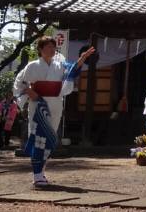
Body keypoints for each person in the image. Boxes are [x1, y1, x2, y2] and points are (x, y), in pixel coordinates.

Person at [14, 36, 96, 187]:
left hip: (55, 105)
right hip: (38, 104)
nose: (51, 50)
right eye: (48, 47)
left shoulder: (60, 65)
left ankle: (41, 171)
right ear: (40, 49)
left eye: (53, 47)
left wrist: (82, 58)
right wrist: (28, 91)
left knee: (50, 139)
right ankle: (37, 174)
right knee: (39, 137)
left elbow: (72, 70)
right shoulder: (32, 66)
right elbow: (19, 82)